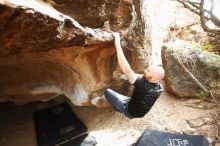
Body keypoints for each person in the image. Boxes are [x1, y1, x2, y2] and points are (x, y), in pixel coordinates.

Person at [104, 32, 165, 119]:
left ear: (152, 77)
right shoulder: (159, 87)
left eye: (148, 71)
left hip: (130, 111)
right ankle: (122, 105)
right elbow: (141, 77)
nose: (145, 71)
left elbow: (126, 69)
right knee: (128, 97)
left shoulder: (142, 85)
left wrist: (117, 44)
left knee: (107, 92)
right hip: (139, 111)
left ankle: (122, 110)